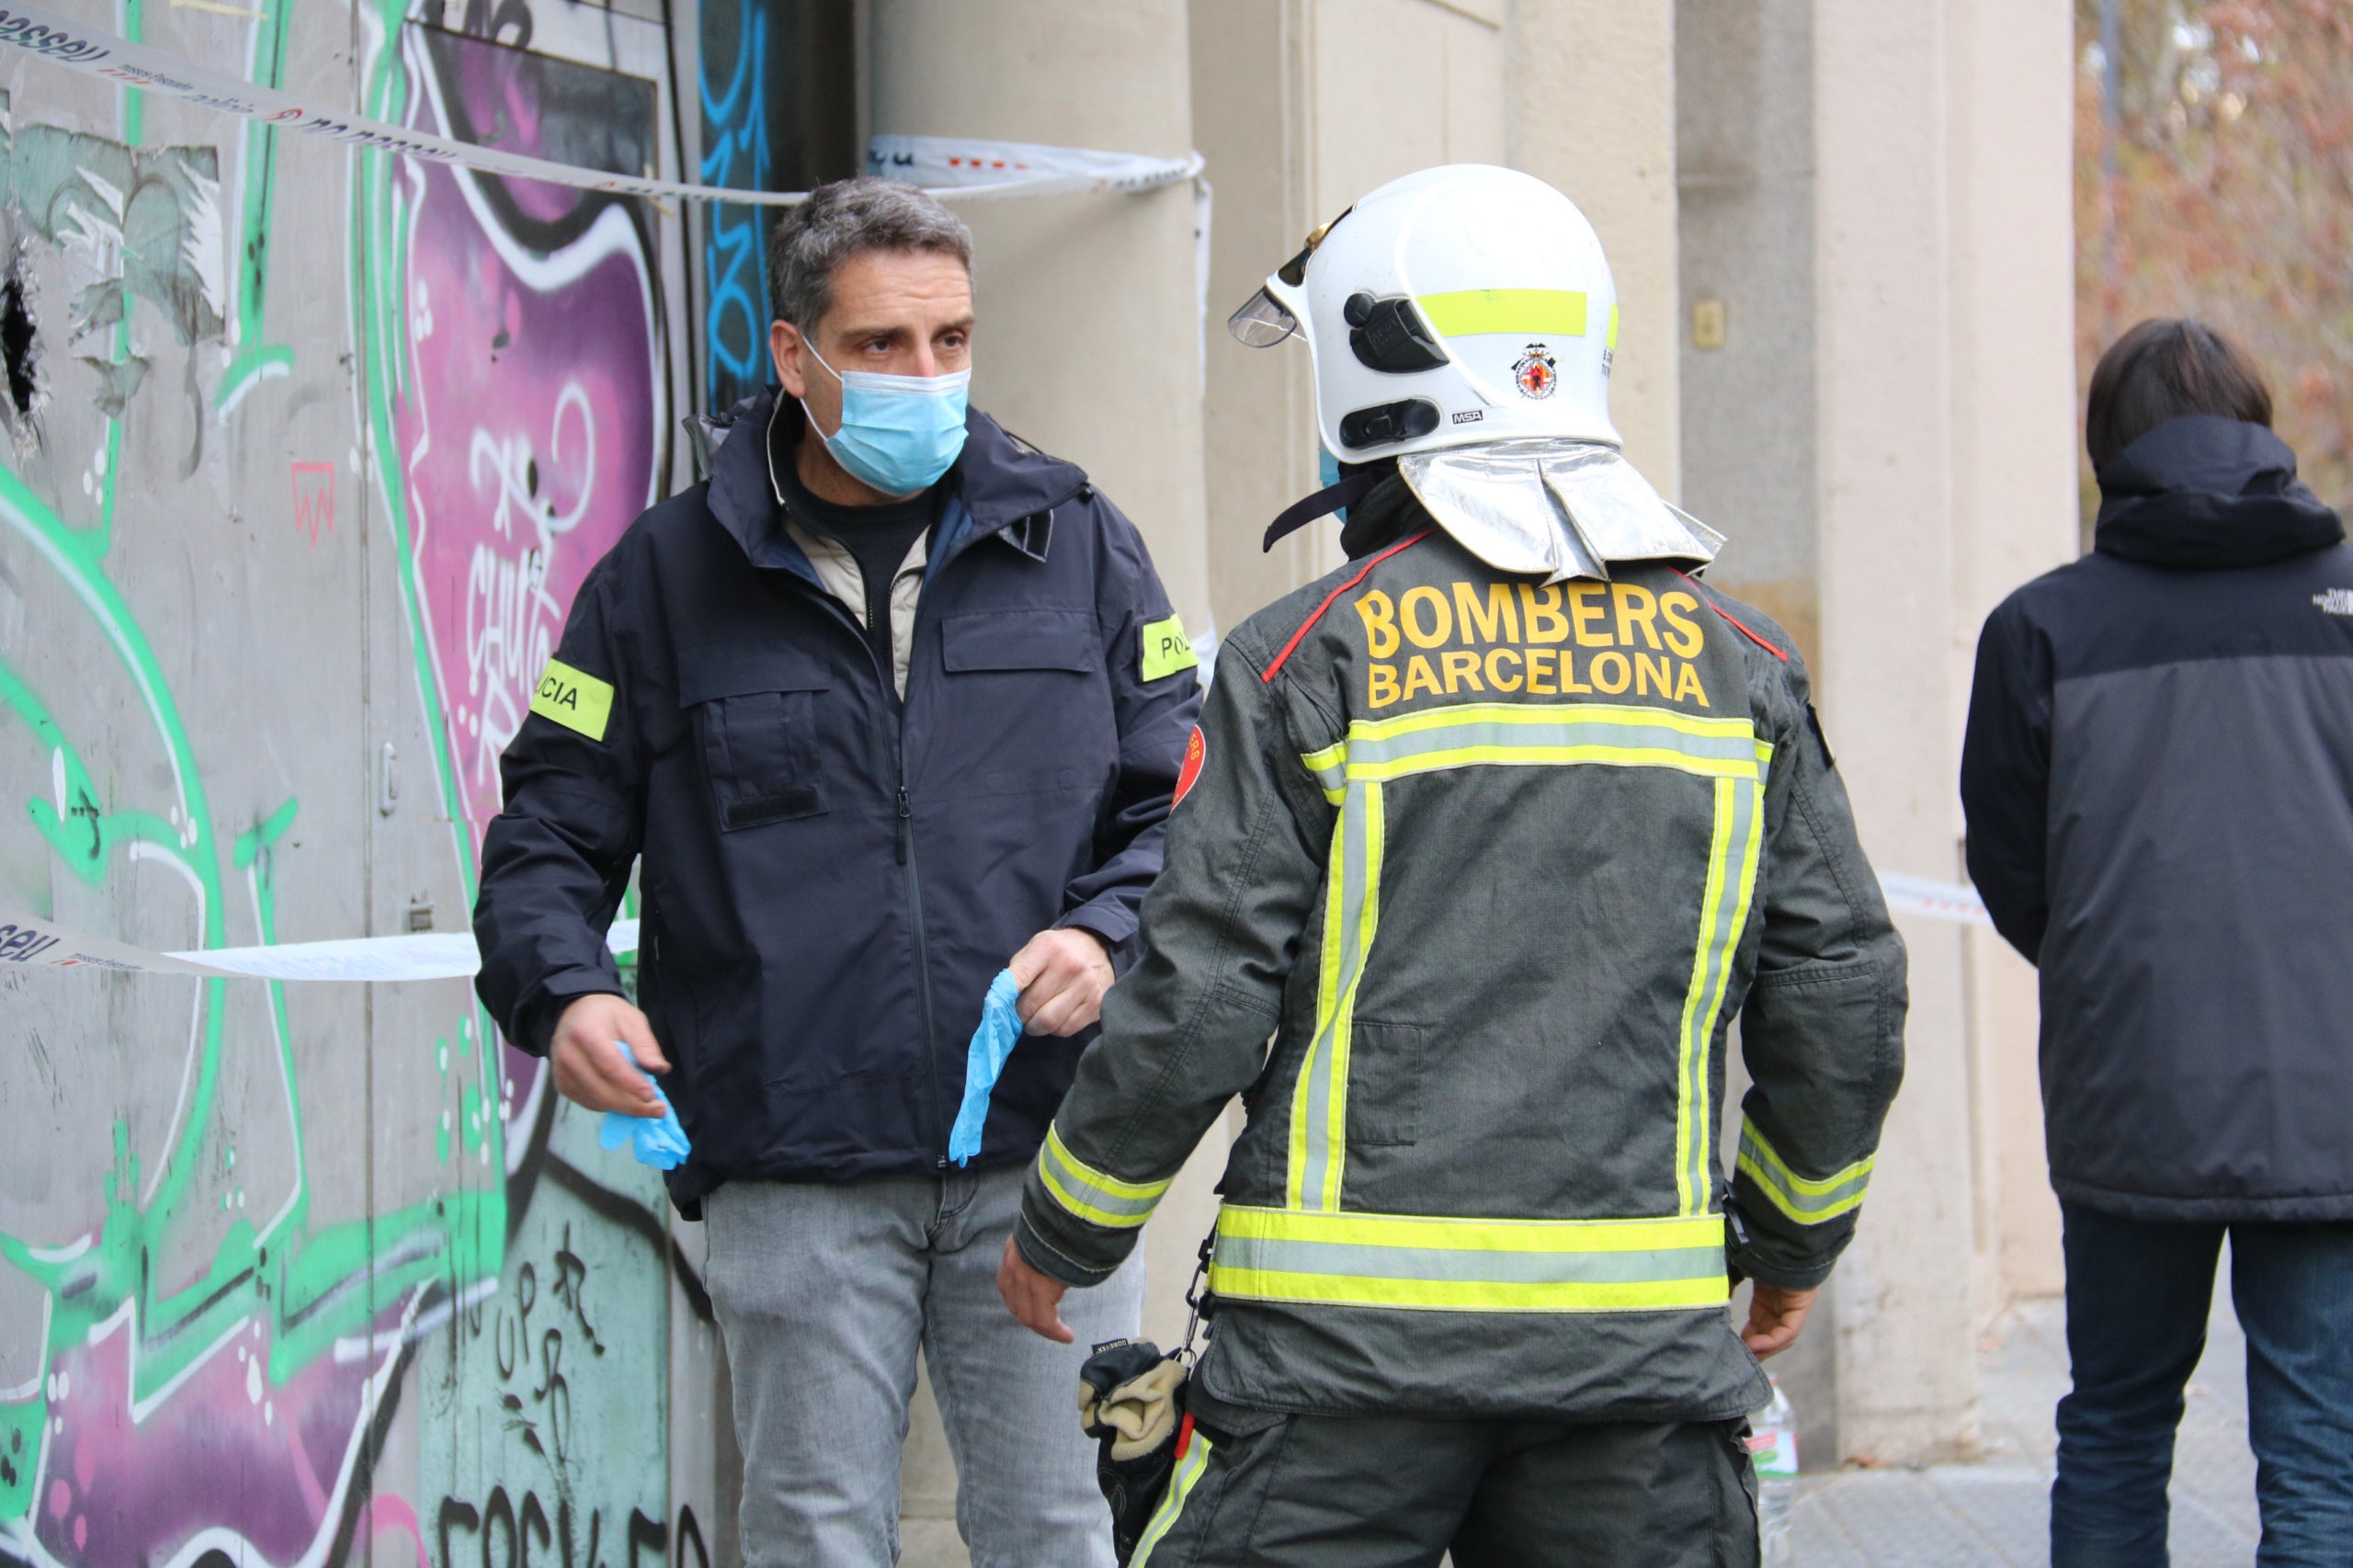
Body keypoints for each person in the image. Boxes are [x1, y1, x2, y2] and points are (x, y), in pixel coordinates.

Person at [996, 164, 1907, 1567]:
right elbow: (1839, 988)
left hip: (1334, 1382)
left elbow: (1202, 990)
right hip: (1635, 1378)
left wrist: (1067, 1221)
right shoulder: (1743, 667)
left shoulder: (1309, 655)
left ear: (1377, 366)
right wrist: (1792, 1240)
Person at [472, 176, 1203, 1567]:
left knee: (1062, 1528)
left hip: (1052, 1158)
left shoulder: (1081, 542)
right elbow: (549, 830)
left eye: (950, 339)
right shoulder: (664, 580)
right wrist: (562, 994)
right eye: (880, 346)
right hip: (794, 1162)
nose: (925, 375)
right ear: (796, 358)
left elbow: (1183, 805)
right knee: (813, 1534)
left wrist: (1109, 933)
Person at [1961, 318, 2353, 1566]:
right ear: (2262, 428)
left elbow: (2016, 873)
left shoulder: (2040, 627)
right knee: (2320, 1455)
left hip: (2129, 1086)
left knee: (2119, 1426)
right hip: (2330, 1095)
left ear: (2104, 451)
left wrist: (2115, 971)